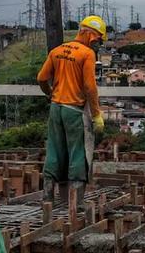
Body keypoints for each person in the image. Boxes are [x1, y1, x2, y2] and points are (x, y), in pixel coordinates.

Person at [37, 15, 106, 205]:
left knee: (54, 150)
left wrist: (50, 94)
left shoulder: (57, 50)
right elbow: (90, 87)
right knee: (78, 152)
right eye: (99, 40)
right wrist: (97, 114)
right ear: (92, 36)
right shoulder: (87, 54)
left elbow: (42, 78)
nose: (98, 44)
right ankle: (76, 203)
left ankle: (48, 197)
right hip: (74, 111)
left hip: (55, 109)